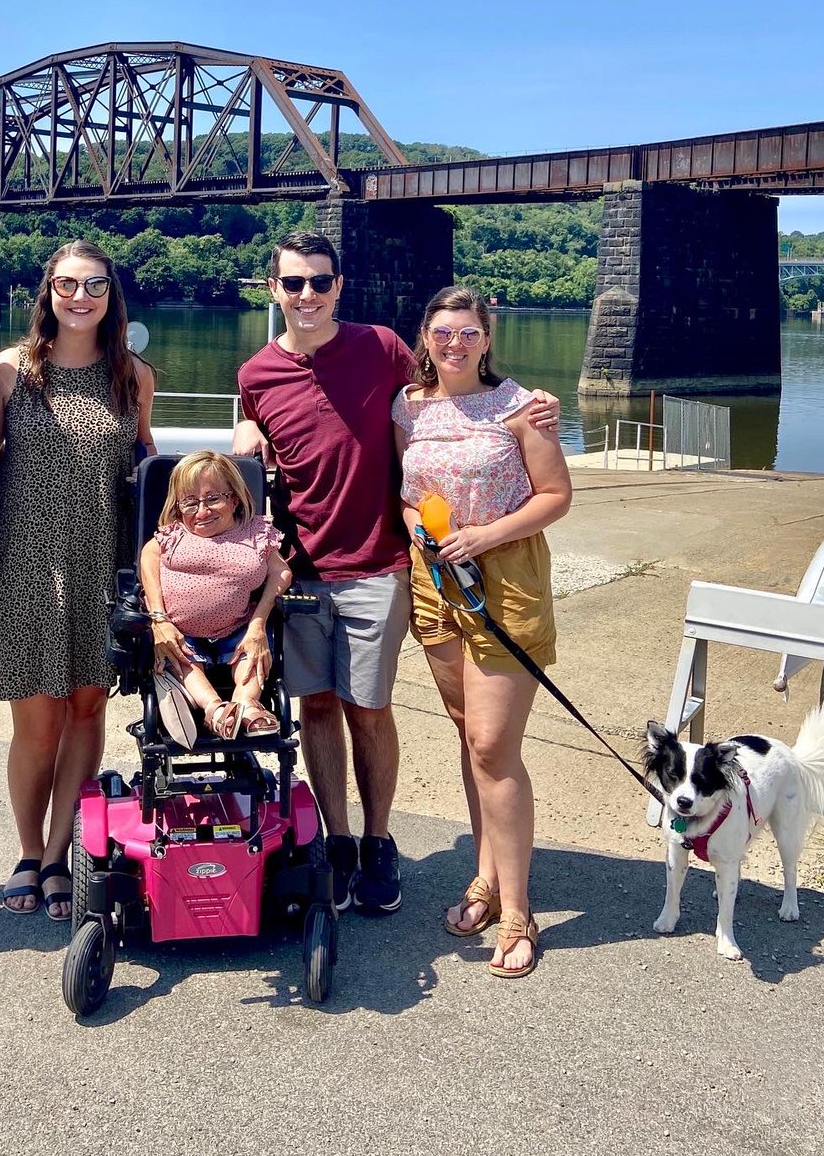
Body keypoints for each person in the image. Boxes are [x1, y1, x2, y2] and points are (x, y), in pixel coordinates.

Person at [233, 231, 560, 916]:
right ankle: (339, 838)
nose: (307, 295)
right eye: (293, 283)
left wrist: (537, 404)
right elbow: (257, 431)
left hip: (380, 564)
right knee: (317, 707)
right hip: (301, 569)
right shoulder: (255, 374)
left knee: (370, 709)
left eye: (320, 281)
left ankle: (379, 839)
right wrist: (245, 442)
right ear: (274, 290)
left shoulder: (381, 347)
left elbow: (461, 384)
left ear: (339, 286)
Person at [392, 285, 572, 977]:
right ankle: (486, 878)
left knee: (496, 744)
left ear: (487, 338)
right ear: (427, 337)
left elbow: (556, 496)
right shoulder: (409, 404)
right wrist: (419, 529)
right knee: (470, 734)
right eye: (443, 332)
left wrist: (485, 535)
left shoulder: (524, 407)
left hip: (506, 579)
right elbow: (406, 491)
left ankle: (520, 911)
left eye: (467, 333)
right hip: (435, 581)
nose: (455, 343)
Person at [0, 240, 155, 921]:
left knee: (87, 710)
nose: (80, 297)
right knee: (37, 722)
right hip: (25, 562)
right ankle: (29, 850)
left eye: (94, 285)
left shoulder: (131, 376)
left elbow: (145, 471)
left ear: (111, 294)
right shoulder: (12, 370)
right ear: (47, 292)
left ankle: (59, 854)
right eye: (66, 284)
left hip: (97, 563)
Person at [140, 450, 292, 741]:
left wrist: (259, 621)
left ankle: (246, 703)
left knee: (251, 651)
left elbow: (281, 573)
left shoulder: (255, 533)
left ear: (234, 498)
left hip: (238, 629)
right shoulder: (173, 534)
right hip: (181, 633)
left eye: (213, 499)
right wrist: (159, 618)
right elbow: (148, 556)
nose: (201, 511)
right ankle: (215, 710)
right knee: (181, 657)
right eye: (190, 502)